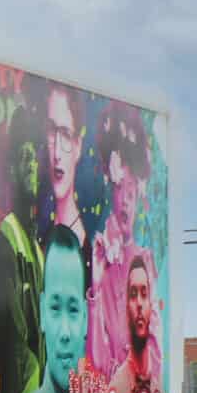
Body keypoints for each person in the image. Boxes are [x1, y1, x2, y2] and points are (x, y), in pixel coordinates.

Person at [3, 224, 105, 393]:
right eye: (55, 308)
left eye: (72, 310)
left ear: (84, 318)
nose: (64, 332)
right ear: (42, 314)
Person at [0, 105, 45, 393]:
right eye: (25, 160)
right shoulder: (8, 238)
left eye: (35, 159)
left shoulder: (35, 248)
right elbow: (13, 328)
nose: (33, 167)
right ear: (12, 171)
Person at [87, 116, 148, 376]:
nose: (125, 201)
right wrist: (97, 289)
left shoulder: (146, 265)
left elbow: (151, 361)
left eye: (132, 190)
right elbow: (98, 363)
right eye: (120, 188)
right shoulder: (101, 260)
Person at [109, 246, 160, 393]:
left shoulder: (159, 386)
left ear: (151, 305)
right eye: (133, 294)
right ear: (126, 307)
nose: (139, 303)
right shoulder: (116, 390)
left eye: (144, 294)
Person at [44, 85, 84, 241]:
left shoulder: (85, 245)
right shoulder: (41, 238)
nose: (57, 154)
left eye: (66, 134)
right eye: (51, 131)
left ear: (78, 146)